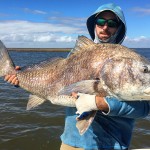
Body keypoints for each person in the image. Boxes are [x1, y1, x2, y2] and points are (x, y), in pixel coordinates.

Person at [4, 3, 149, 150]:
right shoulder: (76, 55)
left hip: (112, 145)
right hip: (71, 142)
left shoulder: (129, 57)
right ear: (94, 25)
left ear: (119, 28)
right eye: (100, 22)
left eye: (112, 23)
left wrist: (99, 103)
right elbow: (51, 77)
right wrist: (20, 78)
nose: (105, 27)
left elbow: (144, 109)